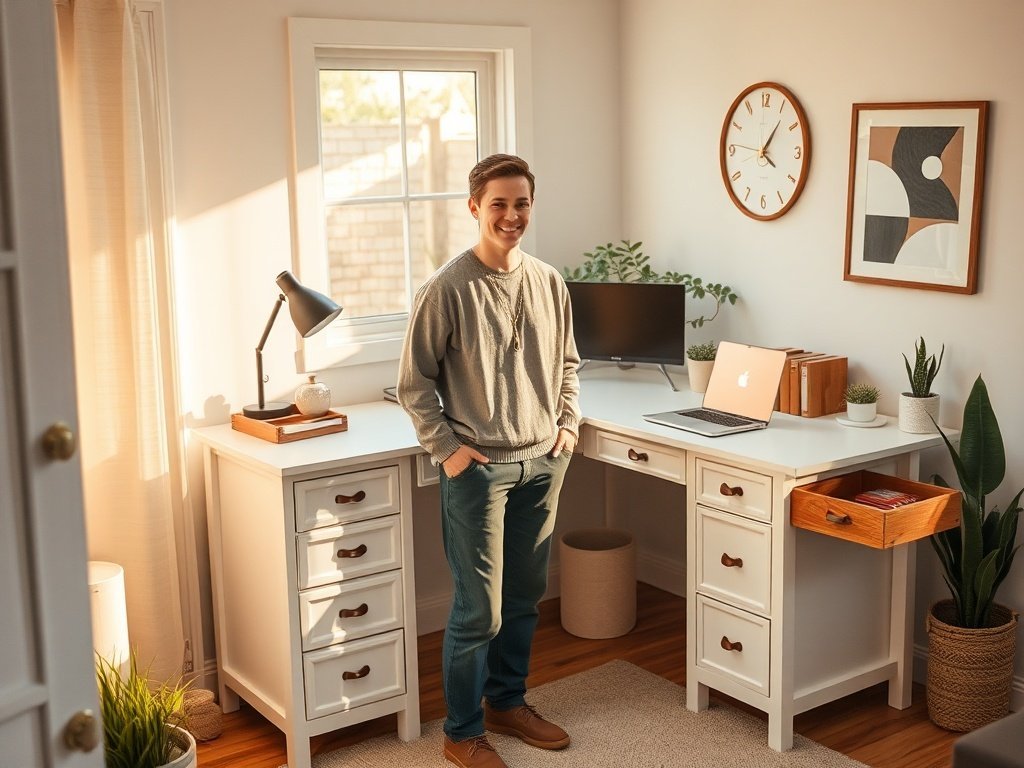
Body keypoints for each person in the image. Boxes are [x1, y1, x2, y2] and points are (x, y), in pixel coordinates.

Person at [397, 154, 580, 768]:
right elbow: (414, 385)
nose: (511, 215)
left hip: (542, 463)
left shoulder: (550, 282)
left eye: (521, 203)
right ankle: (462, 731)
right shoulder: (445, 289)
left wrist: (567, 427)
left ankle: (508, 702)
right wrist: (448, 452)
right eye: (498, 203)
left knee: (526, 598)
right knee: (480, 610)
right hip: (479, 473)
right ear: (474, 207)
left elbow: (569, 366)